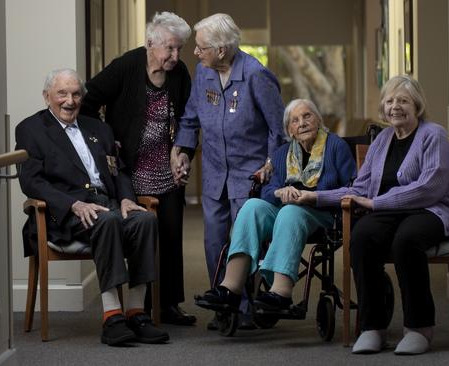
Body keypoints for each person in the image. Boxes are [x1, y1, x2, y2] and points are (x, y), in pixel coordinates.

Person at [299, 75, 449, 355]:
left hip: (431, 211)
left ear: (417, 105)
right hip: (388, 211)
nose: (395, 107)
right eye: (389, 101)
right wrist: (315, 196)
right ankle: (372, 327)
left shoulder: (433, 134)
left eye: (403, 101)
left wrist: (377, 204)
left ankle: (419, 328)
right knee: (361, 238)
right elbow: (360, 188)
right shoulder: (383, 139)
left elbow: (430, 187)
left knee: (406, 240)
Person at [16, 68, 169, 346]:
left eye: (75, 94)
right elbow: (31, 182)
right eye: (62, 93)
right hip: (64, 214)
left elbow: (119, 170)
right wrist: (73, 204)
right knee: (107, 221)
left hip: (109, 204)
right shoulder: (31, 129)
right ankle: (112, 316)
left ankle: (136, 312)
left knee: (144, 220)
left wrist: (126, 198)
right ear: (47, 96)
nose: (69, 101)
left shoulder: (98, 127)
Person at [80, 12, 196, 326]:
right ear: (150, 44)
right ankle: (138, 304)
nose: (175, 56)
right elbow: (88, 100)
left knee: (171, 235)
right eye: (170, 48)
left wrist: (183, 152)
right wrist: (105, 138)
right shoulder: (126, 66)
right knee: (142, 234)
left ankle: (168, 305)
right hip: (129, 167)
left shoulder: (179, 73)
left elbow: (189, 119)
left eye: (179, 49)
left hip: (166, 165)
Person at [170, 13, 285, 329]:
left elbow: (278, 131)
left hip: (250, 176)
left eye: (201, 47)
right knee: (213, 242)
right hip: (214, 173)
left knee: (245, 242)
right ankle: (225, 305)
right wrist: (181, 151)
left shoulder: (256, 76)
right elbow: (191, 118)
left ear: (221, 50)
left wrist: (271, 166)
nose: (195, 52)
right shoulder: (203, 72)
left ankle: (246, 307)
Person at [195, 99, 356, 316]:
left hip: (323, 214)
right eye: (295, 120)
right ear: (289, 129)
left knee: (290, 212)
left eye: (307, 116)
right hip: (285, 211)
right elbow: (268, 192)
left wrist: (313, 196)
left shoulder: (336, 147)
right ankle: (230, 288)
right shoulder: (282, 154)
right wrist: (280, 192)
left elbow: (350, 189)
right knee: (252, 206)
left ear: (318, 120)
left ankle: (281, 291)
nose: (302, 123)